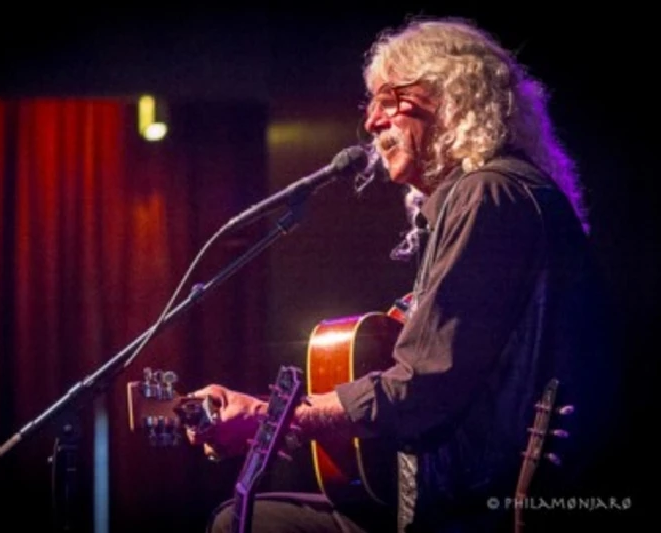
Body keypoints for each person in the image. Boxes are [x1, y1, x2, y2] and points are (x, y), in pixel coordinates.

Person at [186, 16, 616, 533]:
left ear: (449, 96)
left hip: (475, 516)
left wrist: (270, 421)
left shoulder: (487, 195)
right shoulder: (490, 197)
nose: (370, 122)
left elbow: (421, 390)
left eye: (388, 100)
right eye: (370, 105)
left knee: (245, 524)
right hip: (456, 503)